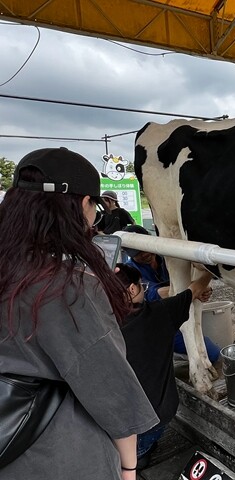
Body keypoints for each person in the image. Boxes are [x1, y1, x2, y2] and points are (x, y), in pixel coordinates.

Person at [0, 147, 158, 480]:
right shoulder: (64, 286)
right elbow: (111, 389)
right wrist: (129, 468)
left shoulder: (11, 266)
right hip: (54, 455)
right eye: (95, 206)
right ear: (82, 204)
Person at [115, 263, 212, 469]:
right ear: (132, 289)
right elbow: (193, 290)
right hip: (152, 421)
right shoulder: (160, 313)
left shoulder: (99, 321)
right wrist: (210, 270)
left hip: (117, 423)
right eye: (142, 286)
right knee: (139, 455)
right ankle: (140, 453)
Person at [122, 225, 221, 363]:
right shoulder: (130, 271)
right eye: (137, 253)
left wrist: (204, 290)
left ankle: (176, 354)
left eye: (145, 247)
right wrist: (199, 285)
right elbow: (158, 293)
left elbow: (190, 284)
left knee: (214, 353)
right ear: (127, 253)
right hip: (155, 326)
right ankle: (172, 354)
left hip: (179, 315)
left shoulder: (168, 256)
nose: (144, 254)